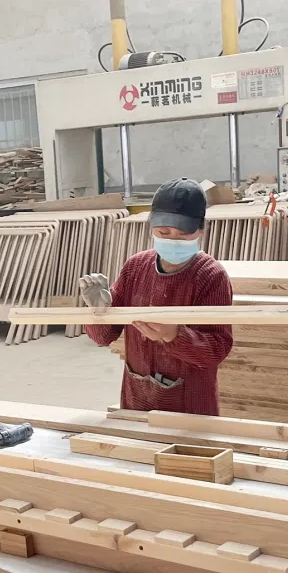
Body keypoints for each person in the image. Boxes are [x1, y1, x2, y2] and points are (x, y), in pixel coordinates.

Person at [80, 177, 233, 415]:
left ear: (201, 230)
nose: (172, 239)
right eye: (163, 231)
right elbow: (104, 337)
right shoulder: (135, 268)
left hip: (189, 406)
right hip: (137, 398)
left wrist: (175, 335)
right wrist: (99, 313)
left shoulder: (210, 276)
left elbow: (216, 350)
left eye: (182, 234)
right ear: (151, 227)